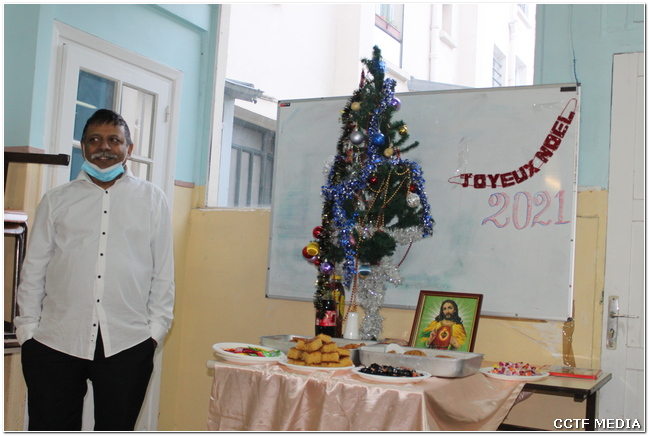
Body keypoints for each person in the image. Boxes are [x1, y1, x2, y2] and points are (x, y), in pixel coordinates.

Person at [15, 109, 175, 431]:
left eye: (114, 140)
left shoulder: (152, 200)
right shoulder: (56, 200)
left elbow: (163, 273)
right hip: (55, 340)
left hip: (128, 342)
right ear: (83, 147)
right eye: (94, 139)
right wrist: (28, 332)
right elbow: (33, 270)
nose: (104, 146)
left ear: (129, 148)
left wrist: (155, 332)